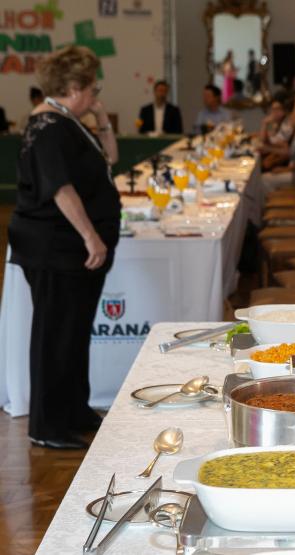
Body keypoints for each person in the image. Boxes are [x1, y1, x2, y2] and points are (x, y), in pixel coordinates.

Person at [9, 45, 121, 450]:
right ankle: (47, 424)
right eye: (93, 87)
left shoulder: (69, 119)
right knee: (55, 335)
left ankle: (74, 408)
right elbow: (60, 189)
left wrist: (103, 121)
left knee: (74, 332)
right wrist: (92, 236)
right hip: (56, 247)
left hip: (70, 248)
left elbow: (110, 159)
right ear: (74, 87)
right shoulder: (49, 127)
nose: (97, 94)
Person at [257, 97, 295, 171]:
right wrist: (264, 124)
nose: (273, 112)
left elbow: (286, 148)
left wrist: (264, 123)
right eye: (272, 109)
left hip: (284, 162)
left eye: (277, 109)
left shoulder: (288, 125)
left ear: (285, 110)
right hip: (276, 156)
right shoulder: (281, 123)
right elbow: (268, 140)